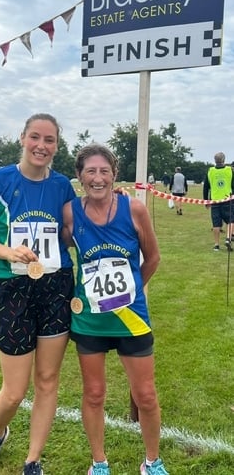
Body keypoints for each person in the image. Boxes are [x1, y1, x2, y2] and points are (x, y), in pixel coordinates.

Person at [0, 113, 75, 474]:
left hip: (55, 286)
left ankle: (33, 459)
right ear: (22, 138)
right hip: (12, 286)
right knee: (14, 392)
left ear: (57, 146)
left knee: (47, 380)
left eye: (49, 140)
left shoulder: (62, 185)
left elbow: (69, 232)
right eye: (35, 137)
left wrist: (111, 204)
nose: (41, 146)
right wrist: (8, 251)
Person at [62, 144, 169, 475]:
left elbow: (152, 258)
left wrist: (131, 291)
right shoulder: (69, 212)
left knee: (147, 396)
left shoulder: (134, 209)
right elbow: (58, 246)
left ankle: (152, 462)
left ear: (114, 175)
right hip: (90, 321)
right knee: (94, 394)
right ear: (79, 176)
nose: (98, 178)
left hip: (131, 319)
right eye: (90, 171)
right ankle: (99, 463)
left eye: (104, 171)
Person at [203, 152, 234, 252]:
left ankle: (216, 245)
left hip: (214, 200)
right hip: (227, 199)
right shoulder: (230, 170)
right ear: (224, 160)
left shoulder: (210, 171)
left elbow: (206, 187)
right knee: (231, 220)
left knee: (216, 224)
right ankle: (228, 238)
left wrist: (206, 200)